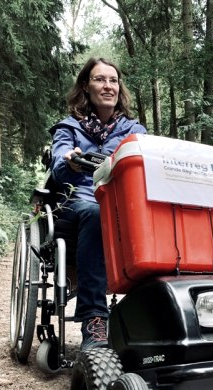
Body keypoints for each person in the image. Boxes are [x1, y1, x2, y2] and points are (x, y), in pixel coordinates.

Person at [49, 57, 147, 350]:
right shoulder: (68, 128)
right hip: (77, 202)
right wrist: (70, 161)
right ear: (85, 86)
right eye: (100, 79)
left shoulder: (134, 130)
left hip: (121, 204)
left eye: (113, 80)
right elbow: (58, 165)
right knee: (95, 211)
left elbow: (145, 164)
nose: (108, 86)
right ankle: (94, 321)